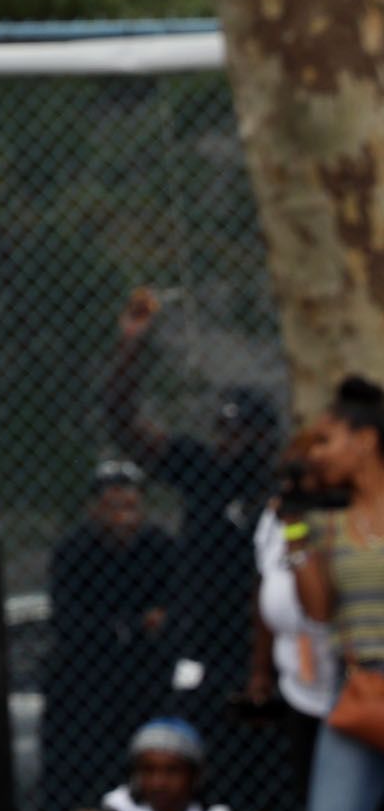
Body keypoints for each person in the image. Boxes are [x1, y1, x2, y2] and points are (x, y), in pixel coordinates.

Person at [105, 291, 284, 680]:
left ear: (264, 438)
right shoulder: (201, 467)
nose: (226, 441)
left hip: (263, 649)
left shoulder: (281, 489)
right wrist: (131, 345)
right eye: (222, 429)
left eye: (239, 433)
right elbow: (123, 423)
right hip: (198, 647)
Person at [49, 464, 185, 811]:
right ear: (94, 509)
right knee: (91, 776)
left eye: (131, 506)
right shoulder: (73, 552)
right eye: (114, 507)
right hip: (89, 687)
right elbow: (71, 622)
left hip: (145, 682)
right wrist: (132, 625)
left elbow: (175, 610)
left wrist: (146, 627)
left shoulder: (159, 547)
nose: (125, 517)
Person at [291, 377, 384, 811]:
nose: (317, 455)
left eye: (326, 441)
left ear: (365, 440)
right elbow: (319, 610)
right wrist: (295, 533)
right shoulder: (328, 521)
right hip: (361, 693)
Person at [251, 424, 342, 810]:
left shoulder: (347, 519)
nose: (291, 485)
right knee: (309, 798)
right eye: (286, 474)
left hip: (348, 686)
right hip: (298, 684)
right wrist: (260, 670)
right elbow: (265, 588)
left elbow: (319, 608)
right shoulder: (276, 518)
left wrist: (298, 526)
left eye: (302, 474)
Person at [70, 717, 286, 811]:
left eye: (172, 771)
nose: (158, 782)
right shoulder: (123, 805)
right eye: (148, 770)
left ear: (195, 775)